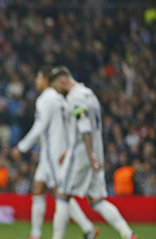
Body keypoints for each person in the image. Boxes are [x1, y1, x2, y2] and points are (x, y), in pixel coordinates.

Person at [49, 66, 137, 239]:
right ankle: (128, 234)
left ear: (62, 81)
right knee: (97, 200)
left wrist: (89, 155)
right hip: (95, 151)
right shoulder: (89, 94)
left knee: (62, 195)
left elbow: (83, 125)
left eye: (56, 87)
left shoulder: (75, 98)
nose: (57, 92)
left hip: (83, 154)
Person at [11, 67, 97, 239]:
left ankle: (88, 228)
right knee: (38, 188)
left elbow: (39, 127)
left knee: (60, 192)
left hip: (53, 152)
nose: (36, 81)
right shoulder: (59, 98)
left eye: (39, 78)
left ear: (46, 81)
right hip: (53, 150)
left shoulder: (46, 99)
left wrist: (22, 147)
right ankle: (35, 234)